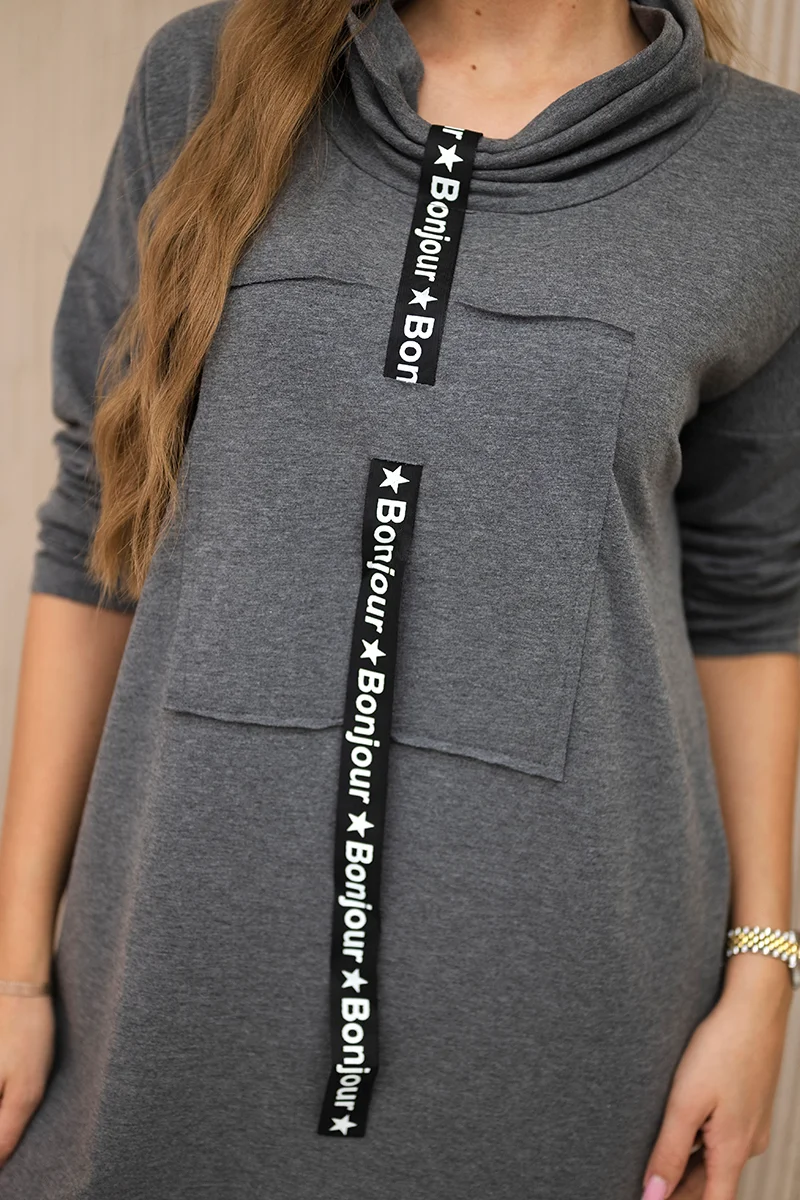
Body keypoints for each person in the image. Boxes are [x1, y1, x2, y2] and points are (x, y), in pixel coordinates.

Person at [1, 0, 799, 1196]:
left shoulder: (767, 172)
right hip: (171, 980)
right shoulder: (204, 75)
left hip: (564, 1010)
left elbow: (749, 596)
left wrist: (760, 977)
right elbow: (96, 524)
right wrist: (15, 970)